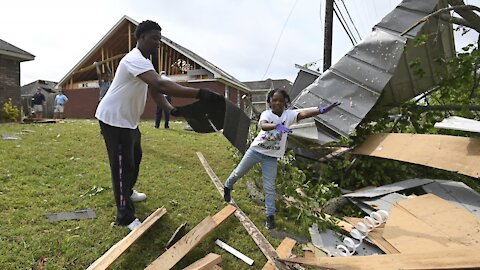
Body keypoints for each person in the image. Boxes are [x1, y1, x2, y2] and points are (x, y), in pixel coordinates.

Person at [95, 20, 224, 231]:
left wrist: (169, 109)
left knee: (135, 156)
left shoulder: (146, 63)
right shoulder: (133, 59)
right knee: (121, 165)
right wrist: (201, 93)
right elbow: (161, 84)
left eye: (160, 39)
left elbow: (155, 91)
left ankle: (127, 192)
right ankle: (125, 216)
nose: (158, 43)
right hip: (113, 119)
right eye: (154, 38)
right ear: (141, 38)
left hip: (128, 121)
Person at [223, 89, 341, 229]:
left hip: (271, 157)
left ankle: (270, 216)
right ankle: (227, 186)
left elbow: (303, 113)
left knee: (269, 187)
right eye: (274, 100)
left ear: (285, 102)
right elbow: (263, 125)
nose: (277, 103)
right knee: (238, 172)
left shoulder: (289, 115)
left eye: (280, 100)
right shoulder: (266, 113)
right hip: (256, 150)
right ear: (270, 102)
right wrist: (276, 126)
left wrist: (321, 110)